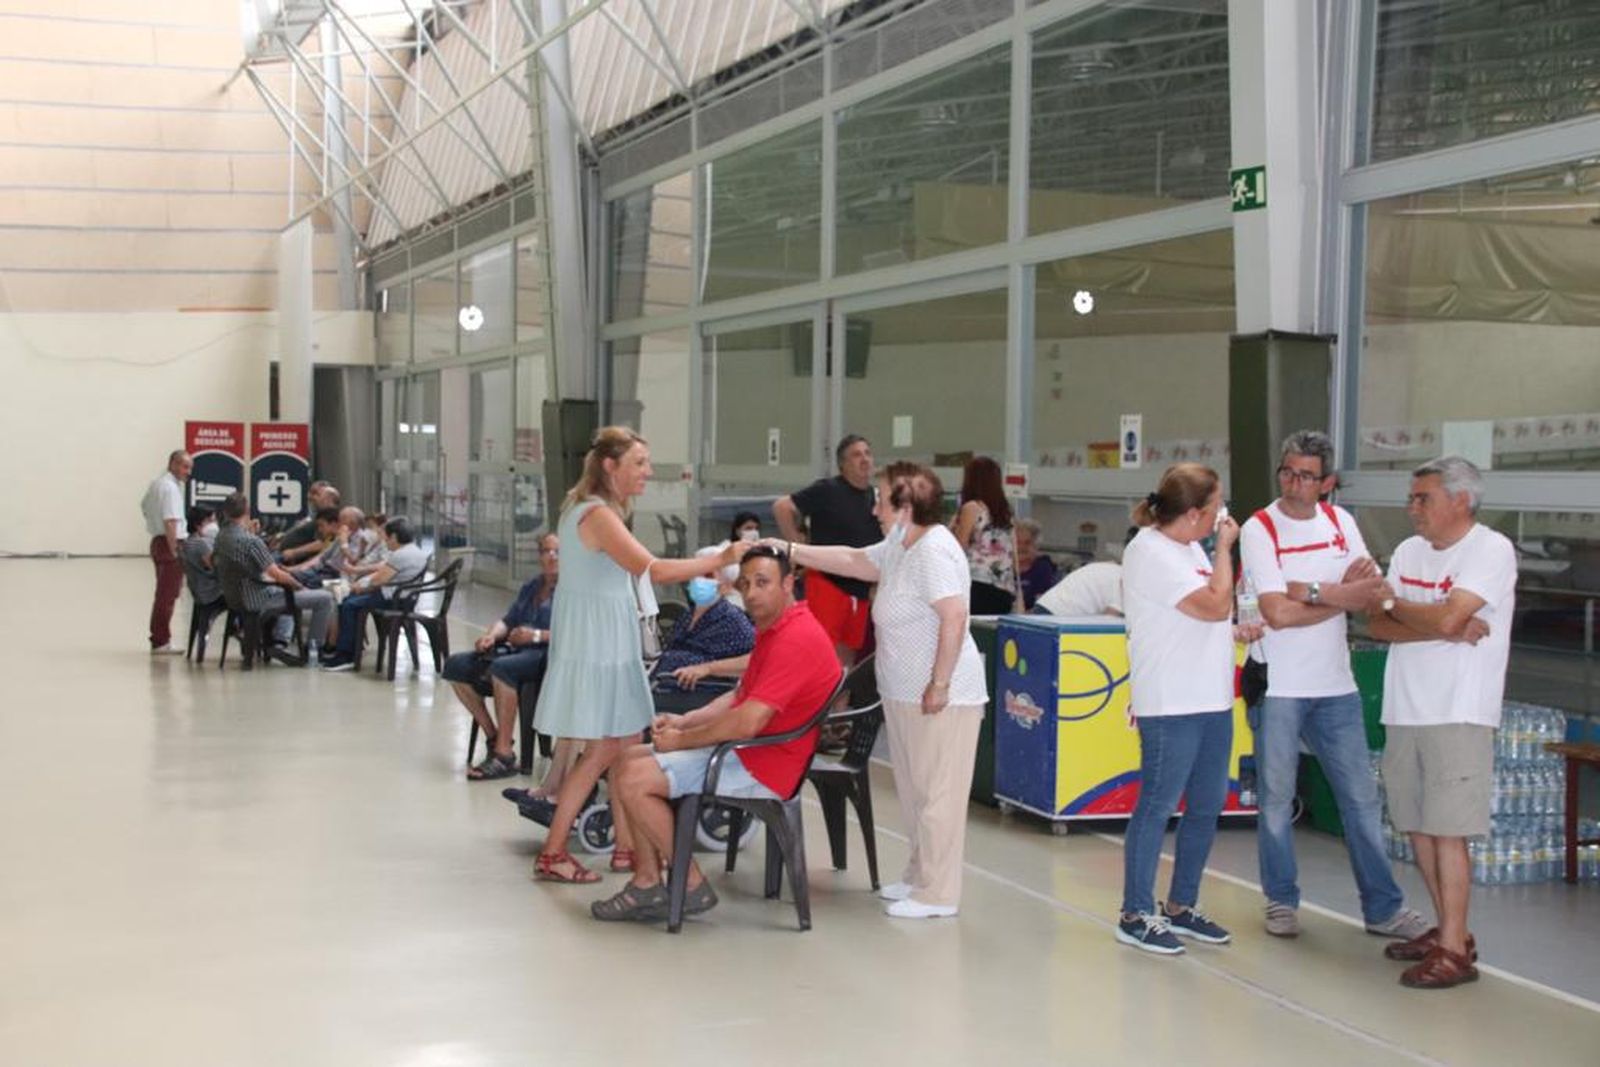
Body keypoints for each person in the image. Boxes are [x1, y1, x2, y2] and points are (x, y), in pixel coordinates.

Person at [529, 426, 748, 884]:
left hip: (605, 639)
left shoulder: (591, 511)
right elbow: (654, 569)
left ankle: (629, 849)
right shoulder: (597, 516)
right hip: (600, 645)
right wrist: (720, 558)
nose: (648, 472)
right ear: (611, 467)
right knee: (606, 749)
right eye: (639, 464)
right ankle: (554, 852)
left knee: (627, 747)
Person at [778, 461, 989, 919]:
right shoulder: (900, 543)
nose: (873, 507)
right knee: (915, 792)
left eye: (881, 498)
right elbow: (856, 561)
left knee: (939, 794)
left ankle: (939, 894)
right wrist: (790, 548)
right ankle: (918, 876)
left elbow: (954, 618)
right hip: (903, 691)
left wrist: (940, 683)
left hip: (941, 694)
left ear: (906, 505)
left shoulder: (933, 550)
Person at [1239, 431, 1428, 943]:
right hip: (1279, 687)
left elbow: (1374, 592)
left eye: (1305, 475)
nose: (1293, 483)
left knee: (1362, 801)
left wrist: (1315, 591)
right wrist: (1340, 593)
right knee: (1277, 800)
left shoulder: (1342, 523)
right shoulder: (1260, 529)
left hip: (1335, 686)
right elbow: (1276, 612)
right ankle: (1280, 900)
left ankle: (1382, 907)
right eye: (1287, 472)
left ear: (1327, 483)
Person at [591, 546, 840, 922]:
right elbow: (739, 695)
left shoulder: (795, 638)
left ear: (789, 583)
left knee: (634, 779)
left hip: (763, 764)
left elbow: (747, 722)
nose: (752, 593)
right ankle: (647, 882)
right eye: (746, 584)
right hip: (748, 750)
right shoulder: (776, 628)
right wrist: (685, 720)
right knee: (624, 761)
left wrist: (681, 741)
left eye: (763, 583)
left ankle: (688, 884)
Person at [1365, 456, 1515, 989]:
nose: (1412, 508)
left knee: (1450, 832)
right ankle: (1449, 930)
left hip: (1457, 709)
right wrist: (1437, 623)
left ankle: (1455, 950)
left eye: (1422, 498)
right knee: (1420, 827)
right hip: (1406, 707)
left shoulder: (1490, 550)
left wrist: (1401, 606)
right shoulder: (1408, 551)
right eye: (1412, 497)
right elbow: (1377, 623)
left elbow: (1427, 612)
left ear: (1460, 501)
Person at [1115, 463, 1261, 956]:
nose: (1223, 513)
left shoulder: (1191, 553)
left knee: (1205, 806)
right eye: (1217, 504)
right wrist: (1224, 548)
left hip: (1212, 698)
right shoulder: (1150, 552)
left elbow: (1212, 614)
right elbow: (1214, 605)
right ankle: (1135, 912)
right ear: (1197, 512)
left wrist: (1235, 629)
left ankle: (1181, 905)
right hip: (1171, 702)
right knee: (1157, 805)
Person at [443, 532, 561, 780]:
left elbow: (575, 633)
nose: (551, 556)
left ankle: (504, 755)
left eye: (557, 551)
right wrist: (491, 636)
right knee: (457, 665)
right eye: (546, 551)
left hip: (548, 654)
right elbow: (508, 621)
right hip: (518, 648)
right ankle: (493, 735)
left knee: (503, 668)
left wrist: (535, 636)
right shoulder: (533, 586)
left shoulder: (574, 590)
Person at [773, 434, 878, 663]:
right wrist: (798, 549)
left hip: (859, 589)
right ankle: (821, 698)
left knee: (847, 657)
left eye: (868, 454)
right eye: (857, 455)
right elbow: (782, 507)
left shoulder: (875, 498)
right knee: (822, 654)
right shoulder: (828, 489)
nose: (865, 459)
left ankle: (841, 699)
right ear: (843, 464)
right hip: (828, 583)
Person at [212, 493, 337, 665]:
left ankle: (279, 640)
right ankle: (313, 650)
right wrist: (298, 586)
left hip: (236, 596)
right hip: (258, 597)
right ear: (247, 511)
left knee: (287, 594)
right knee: (324, 598)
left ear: (225, 512)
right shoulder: (251, 541)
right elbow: (276, 573)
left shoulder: (221, 537)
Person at [649, 547, 757, 713]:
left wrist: (708, 668)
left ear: (725, 586)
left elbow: (757, 659)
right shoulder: (689, 614)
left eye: (707, 575)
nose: (698, 580)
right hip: (664, 687)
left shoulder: (733, 620)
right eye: (696, 572)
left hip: (698, 696)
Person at [318, 516, 430, 671]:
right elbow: (383, 575)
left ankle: (346, 656)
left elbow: (378, 580)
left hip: (393, 599)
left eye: (387, 537)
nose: (385, 541)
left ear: (395, 536)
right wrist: (360, 586)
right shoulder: (415, 551)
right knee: (351, 600)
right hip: (403, 598)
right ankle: (350, 649)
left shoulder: (400, 555)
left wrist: (358, 587)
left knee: (349, 605)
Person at [952, 456, 1020, 615]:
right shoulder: (1005, 512)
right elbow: (1014, 556)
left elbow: (958, 548)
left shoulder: (972, 508)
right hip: (1004, 589)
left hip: (977, 583)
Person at [141, 449, 191, 653]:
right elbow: (171, 521)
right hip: (170, 543)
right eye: (185, 466)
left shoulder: (157, 483)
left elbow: (144, 506)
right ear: (173, 464)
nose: (188, 472)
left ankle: (160, 638)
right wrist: (175, 551)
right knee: (167, 595)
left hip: (157, 541)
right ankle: (161, 640)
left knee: (164, 593)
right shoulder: (170, 488)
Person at [276, 483, 341, 564]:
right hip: (287, 555)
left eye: (318, 495)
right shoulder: (318, 515)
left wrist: (294, 552)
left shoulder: (332, 518)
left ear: (329, 499)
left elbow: (322, 543)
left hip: (296, 558)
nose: (313, 498)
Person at [179, 505, 224, 613]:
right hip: (210, 593)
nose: (214, 525)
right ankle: (233, 628)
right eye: (210, 521)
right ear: (198, 524)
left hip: (198, 590)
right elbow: (216, 568)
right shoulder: (201, 544)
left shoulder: (188, 542)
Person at [1014, 518, 1058, 610]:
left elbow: (1042, 606)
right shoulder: (1001, 567)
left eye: (1027, 542)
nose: (1021, 547)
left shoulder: (1043, 569)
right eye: (1017, 542)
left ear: (1036, 545)